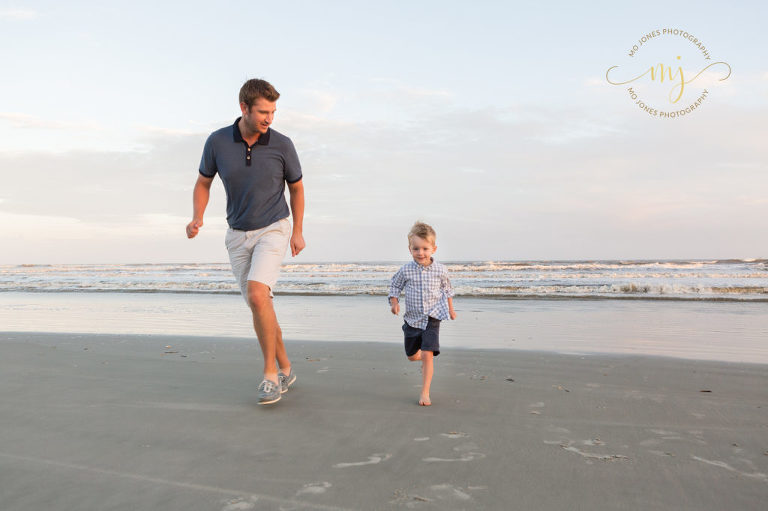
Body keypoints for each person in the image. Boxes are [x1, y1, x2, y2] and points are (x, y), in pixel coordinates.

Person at [186, 78, 305, 405]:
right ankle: (286, 366)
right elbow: (202, 183)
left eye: (273, 112)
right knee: (260, 302)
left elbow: (296, 188)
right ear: (244, 108)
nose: (270, 118)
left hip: (274, 227)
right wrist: (197, 216)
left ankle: (270, 377)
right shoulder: (218, 142)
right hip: (237, 233)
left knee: (256, 294)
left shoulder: (282, 144)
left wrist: (297, 230)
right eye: (264, 112)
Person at [388, 222, 456, 406]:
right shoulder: (406, 270)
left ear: (433, 249)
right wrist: (394, 302)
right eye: (416, 248)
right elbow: (394, 286)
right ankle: (420, 356)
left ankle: (425, 392)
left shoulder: (440, 270)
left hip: (433, 317)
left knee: (428, 354)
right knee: (412, 356)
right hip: (412, 319)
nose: (421, 253)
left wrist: (451, 309)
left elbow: (447, 289)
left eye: (425, 248)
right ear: (410, 249)